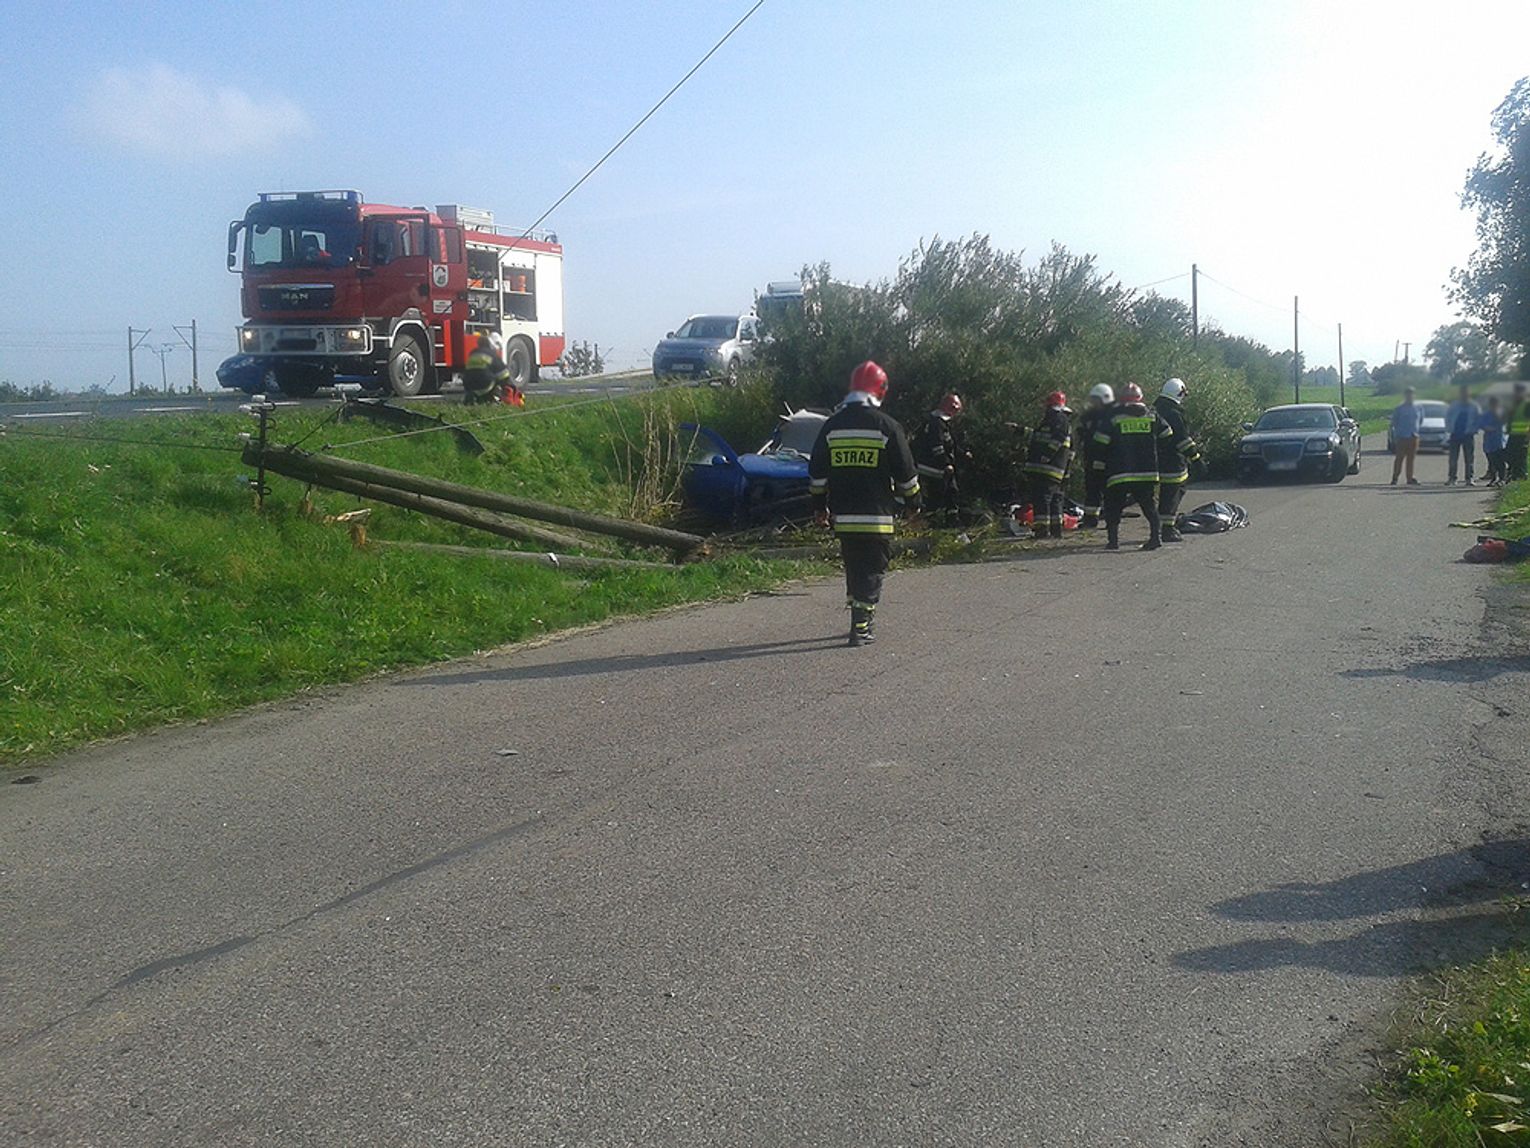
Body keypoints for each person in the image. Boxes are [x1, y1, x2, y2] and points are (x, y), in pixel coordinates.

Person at [808, 360, 921, 647]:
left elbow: (817, 473)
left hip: (844, 517)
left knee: (854, 566)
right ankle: (861, 627)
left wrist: (819, 507)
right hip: (876, 518)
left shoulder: (832, 426)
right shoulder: (887, 426)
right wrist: (914, 503)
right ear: (880, 390)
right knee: (872, 569)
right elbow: (906, 473)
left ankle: (856, 617)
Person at [1094, 382, 1163, 551]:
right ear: (1140, 398)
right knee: (1149, 506)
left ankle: (1113, 541)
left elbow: (1100, 442)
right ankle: (1155, 538)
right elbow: (1167, 434)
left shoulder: (1113, 417)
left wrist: (1098, 467)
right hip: (1146, 472)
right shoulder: (1152, 416)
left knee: (1113, 506)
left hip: (1119, 472)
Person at [1153, 377, 1203, 542]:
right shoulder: (1174, 414)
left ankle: (1160, 527)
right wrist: (1196, 459)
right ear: (1179, 394)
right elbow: (1183, 440)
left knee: (1164, 494)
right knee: (1172, 493)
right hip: (1172, 461)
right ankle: (1167, 530)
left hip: (1154, 460)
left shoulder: (1155, 411)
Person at [1023, 391, 1074, 539]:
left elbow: (1058, 439)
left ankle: (1042, 532)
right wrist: (1020, 430)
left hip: (1048, 468)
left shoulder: (1059, 420)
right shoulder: (1054, 421)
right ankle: (1056, 531)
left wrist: (1047, 455)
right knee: (1055, 499)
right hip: (1053, 469)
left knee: (1042, 499)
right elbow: (1037, 435)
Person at [916, 392, 970, 525]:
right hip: (932, 469)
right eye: (955, 410)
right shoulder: (936, 423)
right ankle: (933, 522)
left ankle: (951, 520)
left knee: (951, 492)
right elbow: (937, 446)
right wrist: (946, 463)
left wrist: (963, 453)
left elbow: (950, 445)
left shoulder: (942, 423)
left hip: (937, 468)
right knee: (937, 496)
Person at [1077, 383, 1115, 529]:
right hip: (1091, 458)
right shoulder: (1089, 416)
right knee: (1092, 490)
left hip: (1108, 460)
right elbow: (1082, 434)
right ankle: (1090, 519)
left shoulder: (1112, 415)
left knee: (1110, 492)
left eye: (1096, 400)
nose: (1093, 403)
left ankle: (1111, 520)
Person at [463, 331, 524, 406]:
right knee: (499, 381)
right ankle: (494, 400)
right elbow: (504, 375)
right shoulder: (492, 355)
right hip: (485, 386)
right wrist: (512, 388)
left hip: (469, 386)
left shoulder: (473, 353)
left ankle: (473, 398)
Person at [1444, 383, 1481, 486]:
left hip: (1468, 434)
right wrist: (1449, 429)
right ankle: (1452, 478)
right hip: (1455, 434)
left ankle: (1469, 479)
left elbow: (1479, 419)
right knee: (1453, 458)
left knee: (1469, 458)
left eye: (1466, 392)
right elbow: (1448, 417)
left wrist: (1474, 429)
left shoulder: (1474, 406)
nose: (1464, 394)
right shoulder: (1454, 405)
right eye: (1462, 392)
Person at [1389, 387, 1423, 486]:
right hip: (1402, 436)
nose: (1410, 396)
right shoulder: (1399, 409)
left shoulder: (1418, 408)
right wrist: (1398, 434)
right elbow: (1394, 422)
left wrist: (1415, 431)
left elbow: (1420, 420)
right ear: (1405, 396)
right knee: (1399, 458)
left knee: (1411, 459)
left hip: (1413, 436)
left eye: (1411, 394)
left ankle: (1410, 478)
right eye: (1408, 394)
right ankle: (1395, 477)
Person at [1480, 395, 1508, 486]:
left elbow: (1504, 422)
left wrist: (1497, 413)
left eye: (1495, 404)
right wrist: (1486, 427)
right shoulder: (1486, 414)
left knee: (1500, 461)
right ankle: (1493, 478)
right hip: (1489, 441)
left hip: (1499, 441)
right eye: (1492, 404)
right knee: (1492, 461)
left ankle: (1502, 478)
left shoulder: (1501, 412)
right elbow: (1480, 423)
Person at [1507, 382, 1530, 483]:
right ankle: (1514, 474)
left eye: (1519, 392)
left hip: (1523, 434)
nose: (1517, 394)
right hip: (1513, 434)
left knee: (1521, 456)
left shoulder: (1527, 404)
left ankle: (1522, 474)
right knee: (1510, 454)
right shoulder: (1515, 404)